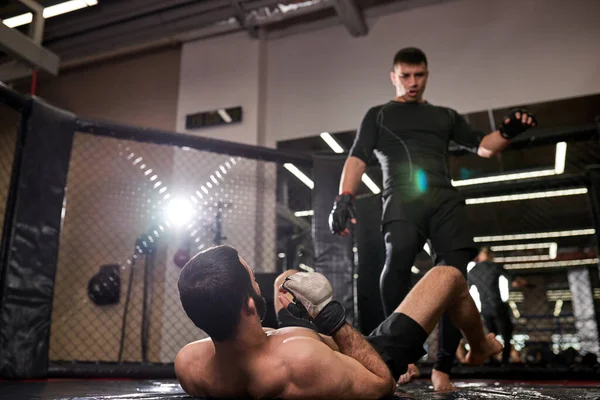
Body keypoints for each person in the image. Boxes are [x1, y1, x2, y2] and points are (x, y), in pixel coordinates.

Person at [328, 47, 536, 390]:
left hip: (444, 199)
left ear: (427, 75)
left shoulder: (445, 115)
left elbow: (484, 147)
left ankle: (444, 366)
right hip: (402, 198)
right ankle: (401, 356)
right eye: (406, 76)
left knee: (453, 275)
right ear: (394, 77)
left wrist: (508, 131)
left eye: (419, 75)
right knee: (398, 262)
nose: (413, 83)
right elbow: (357, 157)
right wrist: (344, 198)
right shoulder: (379, 114)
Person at [174, 245, 502, 399]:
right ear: (248, 304)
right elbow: (381, 383)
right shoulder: (299, 360)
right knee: (449, 277)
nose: (257, 282)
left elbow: (265, 337)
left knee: (286, 280)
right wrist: (327, 312)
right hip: (359, 360)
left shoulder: (190, 363)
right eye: (252, 279)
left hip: (287, 345)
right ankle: (481, 347)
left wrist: (293, 317)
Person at [468, 246, 522, 365]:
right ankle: (505, 361)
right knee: (506, 335)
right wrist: (522, 283)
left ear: (480, 256)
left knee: (491, 334)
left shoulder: (473, 271)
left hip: (485, 307)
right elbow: (514, 281)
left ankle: (491, 360)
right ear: (491, 255)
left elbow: (466, 289)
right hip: (497, 305)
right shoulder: (495, 267)